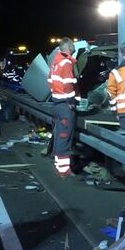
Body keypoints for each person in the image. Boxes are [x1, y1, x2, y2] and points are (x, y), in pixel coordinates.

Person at [47, 37, 79, 177]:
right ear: (70, 48)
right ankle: (64, 170)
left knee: (60, 135)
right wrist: (72, 101)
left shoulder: (56, 62)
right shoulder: (66, 63)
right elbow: (68, 84)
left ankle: (58, 165)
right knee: (65, 136)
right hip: (65, 105)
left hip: (57, 102)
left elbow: (50, 80)